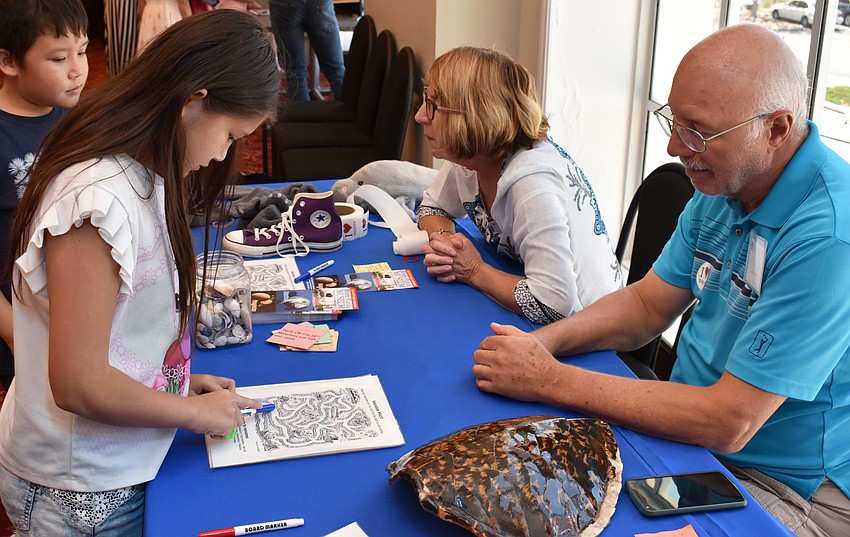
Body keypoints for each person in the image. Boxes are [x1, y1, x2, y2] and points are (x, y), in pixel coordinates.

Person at [471, 24, 850, 536]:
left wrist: (549, 379)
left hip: (781, 483)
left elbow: (731, 420)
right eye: (672, 119)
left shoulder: (829, 235)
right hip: (696, 438)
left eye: (697, 131)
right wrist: (541, 344)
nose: (674, 146)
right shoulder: (726, 183)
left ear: (777, 129)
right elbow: (647, 307)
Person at [0, 10, 280, 535]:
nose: (224, 153)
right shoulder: (97, 202)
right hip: (80, 485)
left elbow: (118, 332)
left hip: (116, 460)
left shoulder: (146, 171)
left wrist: (173, 385)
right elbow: (79, 383)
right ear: (192, 102)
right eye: (228, 135)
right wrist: (191, 415)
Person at [416, 46, 622, 325]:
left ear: (474, 119)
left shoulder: (532, 182)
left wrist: (473, 269)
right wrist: (444, 242)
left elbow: (552, 303)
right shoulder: (471, 156)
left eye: (433, 106)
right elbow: (433, 207)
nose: (420, 116)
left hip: (592, 326)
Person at [0, 0, 89, 390]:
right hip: (18, 322)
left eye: (83, 52)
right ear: (8, 61)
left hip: (73, 310)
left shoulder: (75, 118)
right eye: (58, 58)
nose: (78, 70)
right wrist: (12, 331)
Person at [269, 0, 345, 101]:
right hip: (319, 3)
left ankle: (303, 115)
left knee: (295, 72)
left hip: (283, 5)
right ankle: (349, 113)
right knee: (336, 70)